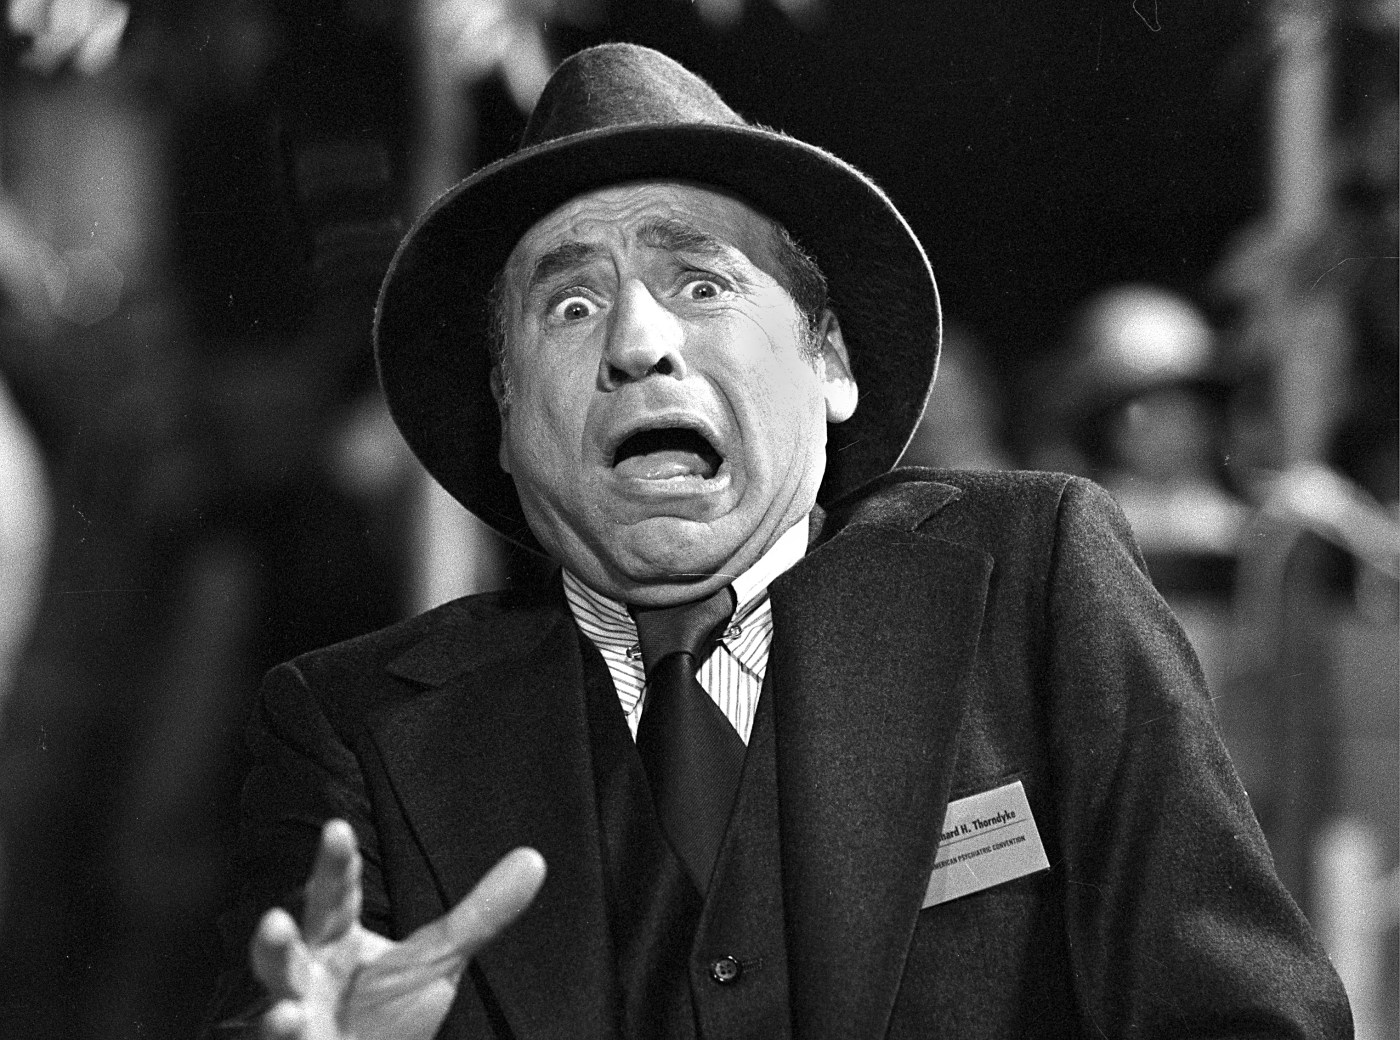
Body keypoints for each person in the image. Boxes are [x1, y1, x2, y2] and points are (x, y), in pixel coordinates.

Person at [203, 43, 1352, 1040]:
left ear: (830, 362)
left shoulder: (1034, 584)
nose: (637, 340)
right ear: (503, 419)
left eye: (701, 283)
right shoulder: (350, 730)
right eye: (570, 306)